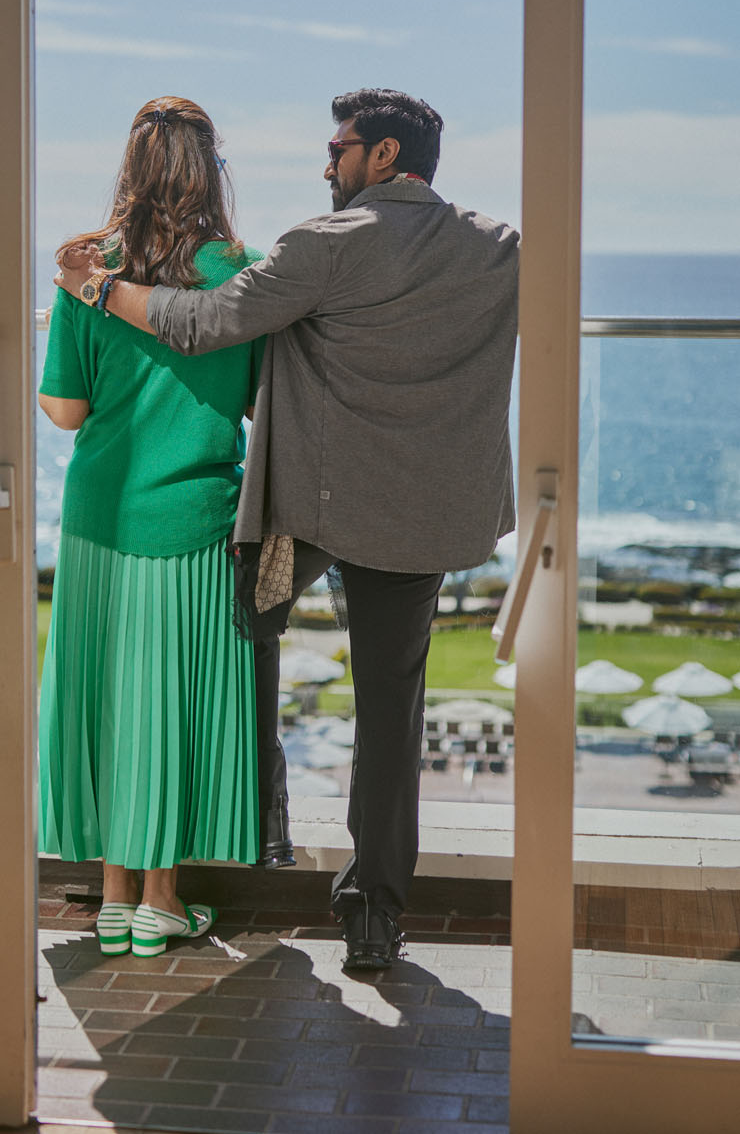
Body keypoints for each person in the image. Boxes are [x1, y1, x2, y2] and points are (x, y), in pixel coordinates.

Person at [56, 87, 519, 970]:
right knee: (391, 711)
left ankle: (263, 827)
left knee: (248, 631)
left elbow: (203, 322)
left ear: (383, 155)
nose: (326, 162)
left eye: (339, 147)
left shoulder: (323, 242)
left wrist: (97, 286)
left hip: (306, 511)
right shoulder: (499, 246)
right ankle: (373, 915)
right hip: (416, 518)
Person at [38, 95, 266, 959]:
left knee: (107, 698)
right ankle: (161, 902)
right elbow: (260, 403)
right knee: (166, 704)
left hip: (100, 513)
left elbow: (66, 410)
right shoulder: (240, 269)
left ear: (131, 168)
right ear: (211, 170)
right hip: (193, 517)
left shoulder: (86, 268)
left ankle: (112, 898)